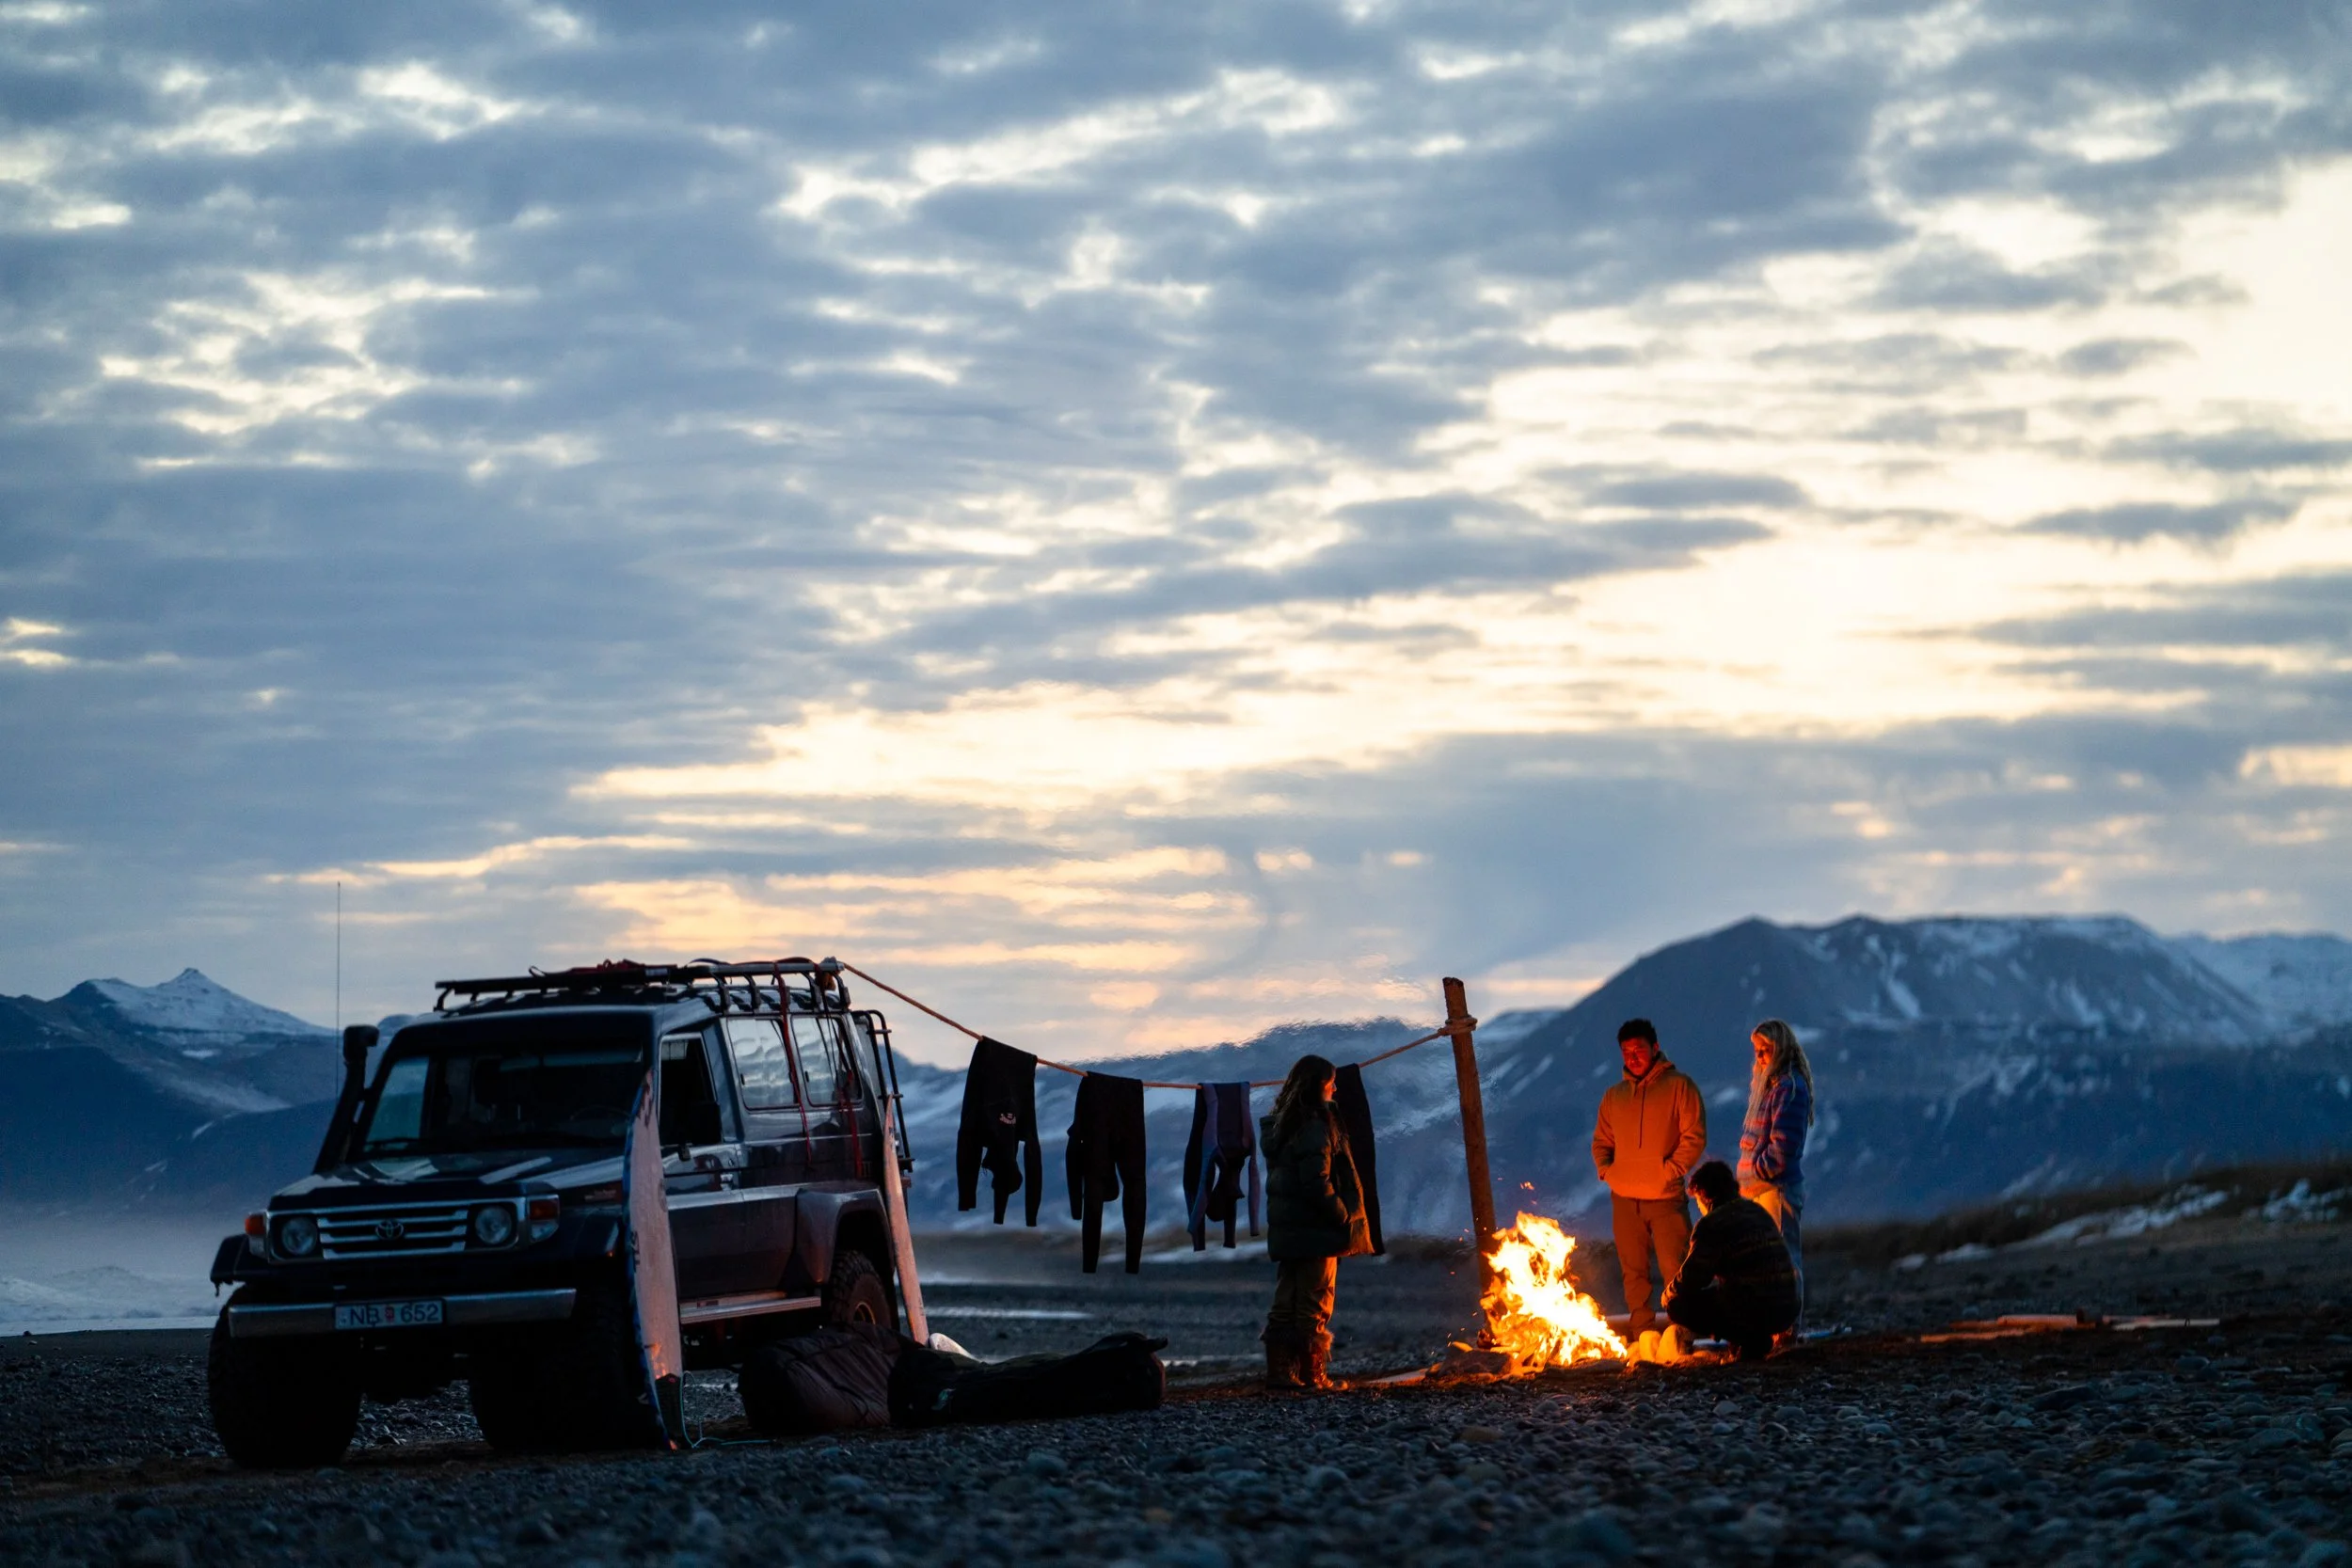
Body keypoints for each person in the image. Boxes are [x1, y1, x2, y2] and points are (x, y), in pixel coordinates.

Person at [1260, 1053, 1372, 1390]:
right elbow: (1316, 1180)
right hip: (1316, 1230)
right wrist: (1341, 1214)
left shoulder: (1283, 1125)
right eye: (1330, 1083)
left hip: (1290, 1230)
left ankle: (1281, 1373)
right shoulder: (1315, 1126)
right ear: (1318, 1086)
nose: (1335, 1089)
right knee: (1316, 1299)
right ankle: (1313, 1375)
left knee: (1287, 1298)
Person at [1591, 1018, 1707, 1338]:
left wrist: (1669, 1171)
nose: (1632, 1057)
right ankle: (1644, 1336)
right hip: (1625, 1199)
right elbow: (1601, 1142)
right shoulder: (1614, 1097)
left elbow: (1694, 1136)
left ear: (1655, 1048)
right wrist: (1608, 1171)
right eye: (1626, 1052)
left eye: (1638, 1050)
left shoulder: (1679, 1087)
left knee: (1677, 1269)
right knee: (1633, 1273)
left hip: (1666, 1197)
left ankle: (1685, 1333)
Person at [1663, 1160, 1798, 1361]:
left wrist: (1667, 1295)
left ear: (1704, 1196)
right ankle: (1747, 1339)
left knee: (1678, 1305)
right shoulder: (1756, 1210)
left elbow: (1693, 1278)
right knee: (1732, 1289)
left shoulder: (1712, 1223)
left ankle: (1751, 1340)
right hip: (1787, 1307)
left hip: (1756, 1306)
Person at [1738, 1017, 1813, 1341]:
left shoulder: (1790, 1089)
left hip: (1777, 1190)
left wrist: (1756, 1171)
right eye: (1756, 1050)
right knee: (1767, 1262)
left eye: (1765, 1050)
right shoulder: (1770, 1087)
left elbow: (1783, 1149)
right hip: (1760, 1191)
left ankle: (1787, 1328)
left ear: (1781, 1049)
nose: (1759, 1058)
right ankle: (1773, 1325)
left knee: (1785, 1260)